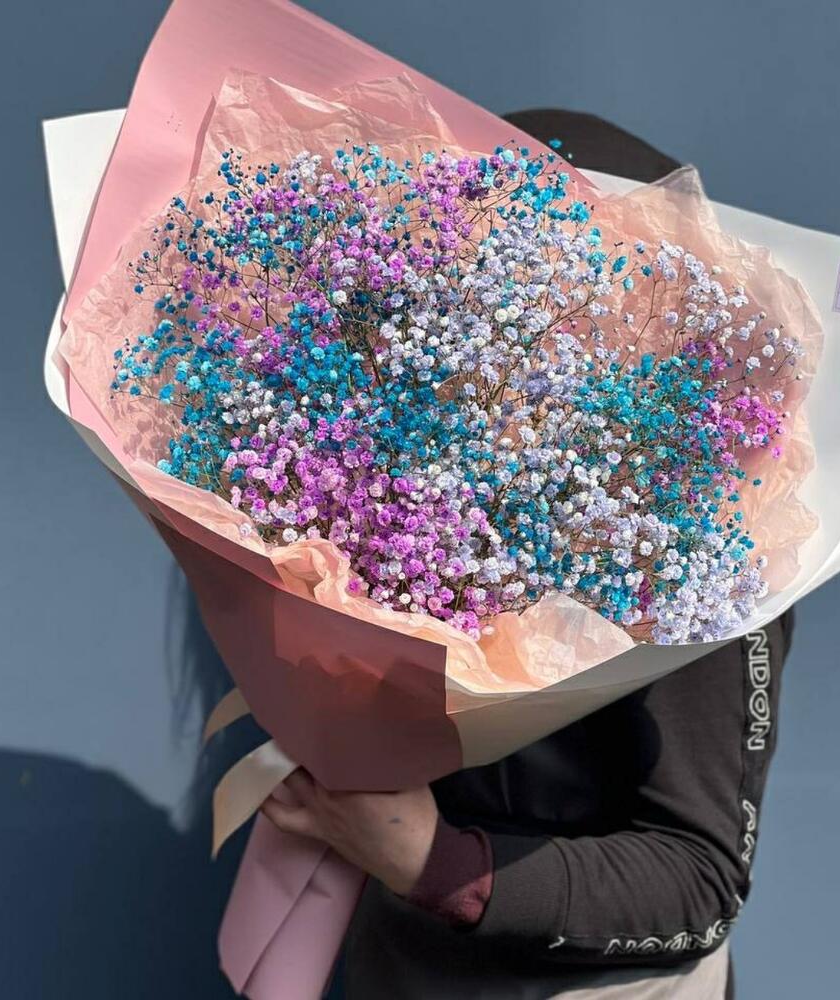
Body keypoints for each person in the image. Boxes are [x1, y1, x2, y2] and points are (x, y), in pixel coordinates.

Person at [260, 113, 795, 1000]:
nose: (516, 339)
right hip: (399, 964)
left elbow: (700, 883)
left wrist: (438, 862)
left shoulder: (699, 549)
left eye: (564, 304)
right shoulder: (384, 487)